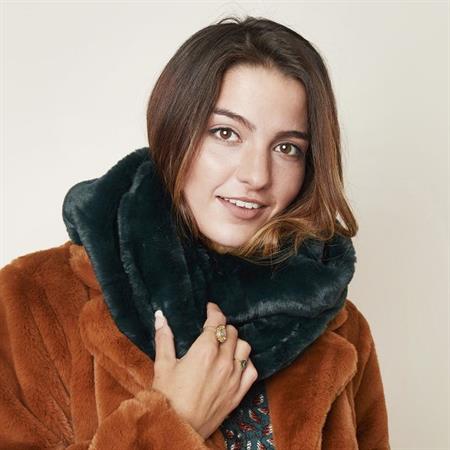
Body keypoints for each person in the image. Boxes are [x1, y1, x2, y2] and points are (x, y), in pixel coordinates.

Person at [0, 15, 390, 449]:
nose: (256, 175)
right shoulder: (34, 300)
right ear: (174, 133)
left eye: (287, 148)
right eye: (226, 133)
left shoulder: (340, 328)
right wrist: (174, 421)